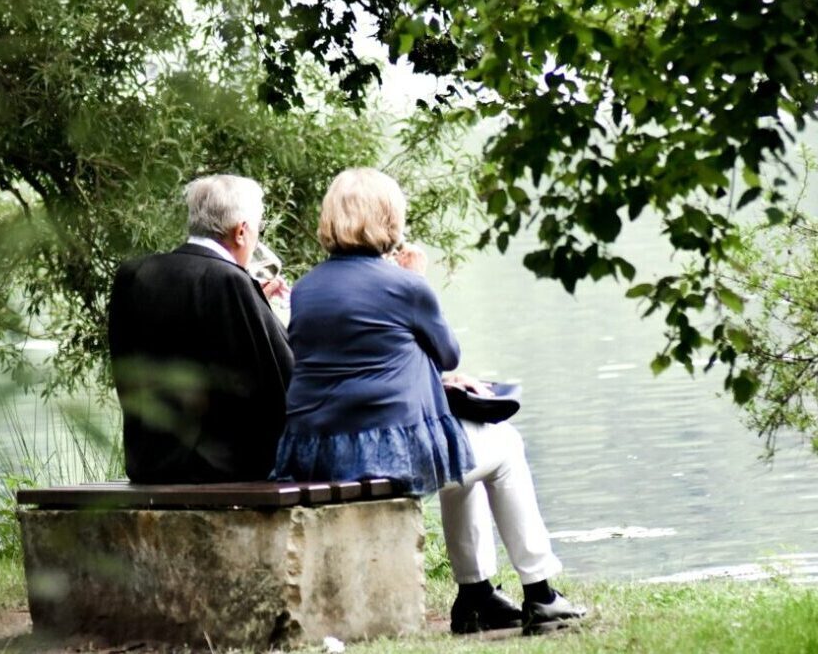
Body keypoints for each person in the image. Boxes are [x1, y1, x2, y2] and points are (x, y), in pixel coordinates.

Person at [272, 168, 585, 635]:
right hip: (383, 454)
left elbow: (366, 353)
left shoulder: (308, 288)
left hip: (317, 451)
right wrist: (417, 280)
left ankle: (476, 595)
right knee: (505, 445)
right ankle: (540, 592)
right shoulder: (404, 285)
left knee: (467, 455)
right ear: (388, 218)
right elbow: (448, 352)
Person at [108, 174, 292, 483]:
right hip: (223, 468)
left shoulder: (133, 275)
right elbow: (281, 378)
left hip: (148, 462)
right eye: (258, 229)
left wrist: (255, 300)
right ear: (242, 232)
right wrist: (275, 315)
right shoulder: (230, 282)